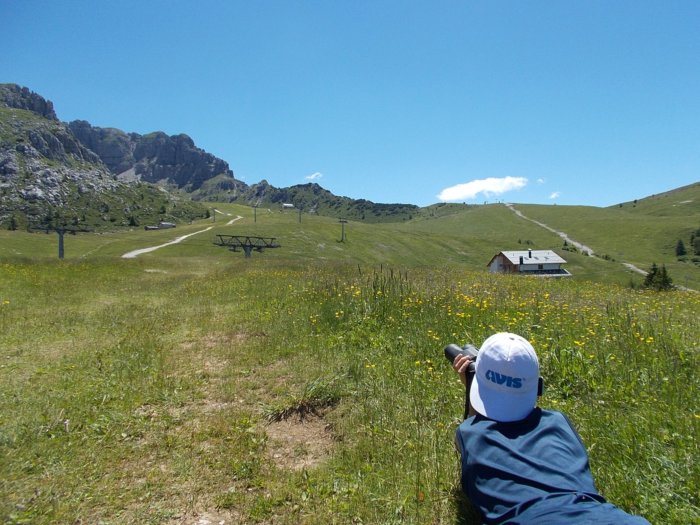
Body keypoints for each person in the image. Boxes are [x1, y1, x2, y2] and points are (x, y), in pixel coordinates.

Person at [452, 332, 651, 524]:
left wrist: (472, 384)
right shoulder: (559, 422)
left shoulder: (470, 433)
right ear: (536, 386)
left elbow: (474, 433)